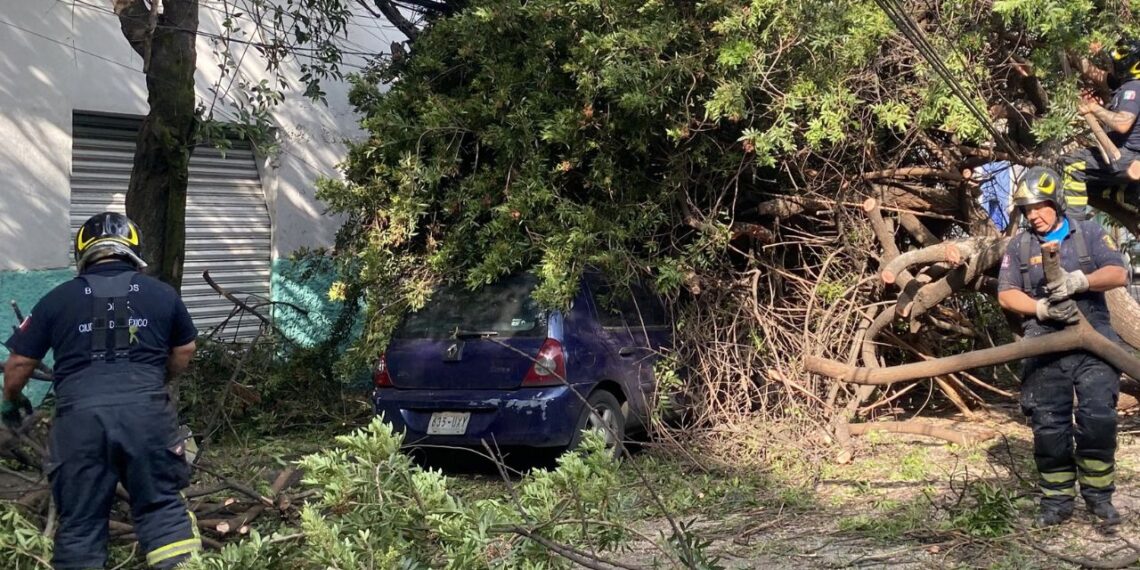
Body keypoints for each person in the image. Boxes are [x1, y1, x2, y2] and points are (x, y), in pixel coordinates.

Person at [1, 212, 201, 568]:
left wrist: (11, 403)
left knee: (80, 525)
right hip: (148, 418)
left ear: (83, 253)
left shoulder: (56, 299)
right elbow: (184, 350)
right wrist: (159, 379)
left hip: (80, 425)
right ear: (133, 250)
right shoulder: (162, 295)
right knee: (162, 512)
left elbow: (17, 365)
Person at [997, 167, 1127, 527]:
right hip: (1043, 338)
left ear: (1056, 203)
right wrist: (1039, 307)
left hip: (1093, 337)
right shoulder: (1021, 245)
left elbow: (1119, 274)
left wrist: (1080, 280)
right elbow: (1007, 294)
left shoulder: (1088, 233)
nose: (1033, 216)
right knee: (1049, 424)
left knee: (1098, 418)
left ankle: (1100, 498)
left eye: (1039, 207)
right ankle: (1056, 502)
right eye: (1027, 210)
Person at [1060, 39, 1140, 215]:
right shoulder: (1123, 84)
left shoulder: (1133, 88)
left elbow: (1123, 124)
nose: (1111, 67)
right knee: (1088, 185)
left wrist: (1094, 108)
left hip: (1128, 156)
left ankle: (1074, 227)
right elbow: (1092, 72)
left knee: (1072, 166)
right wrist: (1067, 42)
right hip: (1127, 158)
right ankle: (1132, 194)